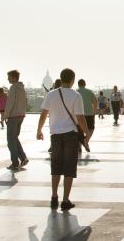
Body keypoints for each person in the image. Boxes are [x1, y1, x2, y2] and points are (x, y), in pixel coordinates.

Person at [36, 68, 89, 211]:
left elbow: (43, 114)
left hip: (55, 135)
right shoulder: (76, 96)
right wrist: (86, 133)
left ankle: (54, 196)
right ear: (72, 80)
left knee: (56, 166)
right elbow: (80, 118)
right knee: (69, 167)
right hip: (70, 134)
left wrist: (39, 130)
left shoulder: (51, 94)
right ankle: (65, 200)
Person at [3, 70, 28, 170]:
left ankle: (15, 162)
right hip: (21, 116)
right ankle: (23, 158)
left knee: (10, 141)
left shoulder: (13, 87)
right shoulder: (22, 87)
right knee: (14, 138)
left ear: (14, 77)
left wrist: (5, 116)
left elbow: (10, 103)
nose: (8, 79)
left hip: (13, 116)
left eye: (9, 77)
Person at [77, 79, 97, 150]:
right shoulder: (90, 92)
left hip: (79, 114)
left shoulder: (76, 92)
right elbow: (95, 102)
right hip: (89, 113)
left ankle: (79, 145)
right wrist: (94, 112)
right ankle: (86, 140)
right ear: (85, 84)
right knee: (91, 128)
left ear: (78, 85)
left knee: (80, 130)